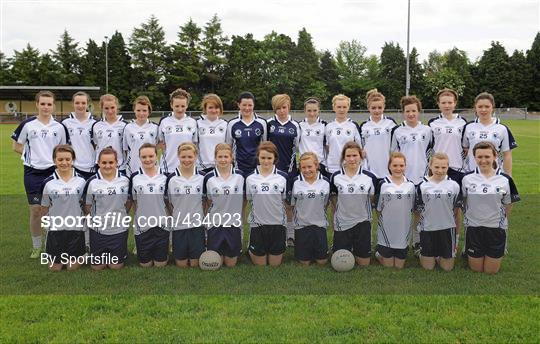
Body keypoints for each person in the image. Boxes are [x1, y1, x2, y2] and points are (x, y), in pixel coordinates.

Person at [11, 90, 67, 258]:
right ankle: (37, 246)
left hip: (53, 172)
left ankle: (53, 243)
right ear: (37, 104)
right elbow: (16, 145)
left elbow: (63, 150)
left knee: (52, 210)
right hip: (33, 173)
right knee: (36, 210)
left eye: (49, 104)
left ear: (53, 106)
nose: (45, 107)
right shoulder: (28, 125)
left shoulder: (59, 127)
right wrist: (31, 156)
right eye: (42, 103)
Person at [461, 141, 520, 274]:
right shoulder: (467, 178)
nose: (483, 160)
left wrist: (501, 220)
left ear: (495, 156)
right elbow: (464, 200)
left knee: (490, 272)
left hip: (496, 230)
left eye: (487, 156)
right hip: (474, 228)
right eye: (479, 157)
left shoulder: (505, 179)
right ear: (474, 158)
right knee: (476, 270)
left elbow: (508, 203)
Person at [330, 142, 378, 267]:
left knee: (364, 263)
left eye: (355, 155)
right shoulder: (336, 176)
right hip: (342, 222)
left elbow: (372, 198)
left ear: (361, 157)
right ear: (344, 158)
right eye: (348, 156)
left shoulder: (370, 177)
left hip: (362, 222)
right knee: (340, 260)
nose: (351, 159)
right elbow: (334, 198)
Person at [83, 148, 131, 270]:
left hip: (119, 229)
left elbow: (129, 201)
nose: (107, 166)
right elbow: (87, 205)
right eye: (104, 163)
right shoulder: (92, 182)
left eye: (111, 162)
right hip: (98, 230)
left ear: (117, 163)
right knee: (97, 267)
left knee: (116, 266)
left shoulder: (125, 180)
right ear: (98, 163)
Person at [41, 145, 86, 271]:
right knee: (55, 268)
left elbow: (86, 204)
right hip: (56, 229)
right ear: (54, 160)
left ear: (73, 160)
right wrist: (46, 224)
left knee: (71, 268)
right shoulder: (48, 182)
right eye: (60, 160)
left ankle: (84, 253)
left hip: (76, 229)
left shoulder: (82, 181)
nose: (64, 163)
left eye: (67, 159)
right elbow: (44, 207)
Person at [415, 153, 461, 271]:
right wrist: (417, 235)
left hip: (447, 229)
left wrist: (457, 235)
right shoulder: (422, 185)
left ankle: (442, 253)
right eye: (436, 167)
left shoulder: (454, 185)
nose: (440, 170)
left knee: (447, 268)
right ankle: (423, 251)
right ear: (430, 166)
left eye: (443, 167)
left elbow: (457, 213)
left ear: (448, 167)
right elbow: (418, 213)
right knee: (428, 268)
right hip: (428, 229)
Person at [246, 141, 288, 266]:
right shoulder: (250, 178)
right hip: (258, 224)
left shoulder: (283, 177)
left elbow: (284, 200)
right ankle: (252, 248)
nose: (266, 161)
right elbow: (250, 199)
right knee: (261, 264)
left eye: (269, 158)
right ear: (258, 157)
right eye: (263, 157)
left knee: (274, 264)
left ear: (275, 158)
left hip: (277, 224)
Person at [266, 94, 300, 247]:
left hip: (290, 170)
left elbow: (298, 148)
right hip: (271, 171)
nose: (281, 111)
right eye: (278, 108)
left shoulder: (295, 126)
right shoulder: (268, 124)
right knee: (273, 203)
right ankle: (274, 233)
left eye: (284, 107)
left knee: (289, 204)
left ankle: (291, 235)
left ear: (289, 107)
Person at [203, 143, 244, 267]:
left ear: (231, 158)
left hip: (233, 224)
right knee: (216, 261)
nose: (223, 160)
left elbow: (245, 199)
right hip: (215, 224)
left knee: (231, 263)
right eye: (220, 157)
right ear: (215, 158)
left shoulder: (240, 176)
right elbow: (207, 201)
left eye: (226, 156)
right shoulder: (208, 178)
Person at [166, 142, 206, 268]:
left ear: (195, 157)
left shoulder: (203, 178)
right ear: (178, 156)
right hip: (179, 226)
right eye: (183, 157)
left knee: (195, 263)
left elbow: (206, 201)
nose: (187, 160)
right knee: (181, 264)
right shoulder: (171, 179)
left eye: (190, 157)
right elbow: (168, 202)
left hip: (197, 225)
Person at [129, 143, 168, 267]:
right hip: (143, 227)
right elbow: (134, 202)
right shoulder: (134, 177)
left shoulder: (165, 176)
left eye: (151, 156)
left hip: (162, 226)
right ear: (139, 158)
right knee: (145, 264)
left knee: (159, 264)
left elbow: (168, 201)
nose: (147, 159)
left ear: (156, 156)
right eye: (144, 157)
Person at [376, 152, 416, 269]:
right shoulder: (383, 184)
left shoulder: (411, 185)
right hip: (387, 230)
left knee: (398, 267)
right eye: (395, 165)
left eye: (401, 165)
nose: (398, 168)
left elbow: (412, 208)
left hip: (403, 230)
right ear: (389, 166)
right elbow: (378, 208)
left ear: (405, 166)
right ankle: (380, 254)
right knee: (388, 266)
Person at [462, 92, 517, 175]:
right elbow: (465, 148)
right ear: (475, 108)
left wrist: (509, 177)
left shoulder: (502, 128)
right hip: (471, 174)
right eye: (480, 107)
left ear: (492, 108)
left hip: (494, 174)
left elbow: (507, 155)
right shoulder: (468, 127)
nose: (483, 110)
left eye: (487, 106)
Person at [290, 152, 330, 265]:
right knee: (304, 262)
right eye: (303, 167)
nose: (307, 170)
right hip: (302, 226)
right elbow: (293, 204)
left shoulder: (325, 182)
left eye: (310, 166)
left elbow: (326, 203)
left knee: (322, 262)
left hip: (319, 225)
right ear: (299, 168)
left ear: (317, 165)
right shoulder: (296, 182)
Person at [390, 95, 433, 185]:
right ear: (403, 113)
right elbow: (394, 153)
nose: (410, 114)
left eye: (414, 111)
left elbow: (431, 152)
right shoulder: (397, 130)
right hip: (403, 173)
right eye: (407, 111)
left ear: (419, 112)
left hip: (423, 173)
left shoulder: (427, 130)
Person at [428, 88, 467, 184]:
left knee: (457, 198)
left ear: (455, 103)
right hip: (438, 168)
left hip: (457, 167)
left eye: (450, 102)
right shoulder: (432, 123)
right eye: (443, 103)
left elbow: (466, 146)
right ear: (438, 104)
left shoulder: (462, 122)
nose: (447, 106)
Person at [226, 91, 267, 177]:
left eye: (250, 105)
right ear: (239, 105)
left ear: (253, 105)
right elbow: (228, 147)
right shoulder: (232, 123)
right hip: (238, 166)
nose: (247, 108)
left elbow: (265, 145)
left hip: (257, 165)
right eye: (244, 105)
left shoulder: (262, 123)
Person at [359, 89, 397, 179]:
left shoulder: (391, 123)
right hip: (369, 168)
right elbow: (360, 146)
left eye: (380, 108)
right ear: (368, 108)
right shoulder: (364, 125)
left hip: (388, 168)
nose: (377, 111)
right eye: (373, 108)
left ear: (384, 107)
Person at [158, 88, 198, 174]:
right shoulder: (164, 121)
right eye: (177, 106)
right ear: (171, 105)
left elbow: (195, 145)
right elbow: (159, 142)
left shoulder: (193, 122)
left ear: (187, 105)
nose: (180, 109)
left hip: (188, 168)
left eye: (183, 106)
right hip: (168, 167)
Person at [61, 91, 96, 180]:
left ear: (88, 104)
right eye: (77, 103)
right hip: (72, 167)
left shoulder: (95, 123)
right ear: (73, 104)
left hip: (90, 168)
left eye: (83, 103)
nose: (80, 106)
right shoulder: (65, 123)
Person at [91, 94, 128, 174]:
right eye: (106, 108)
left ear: (117, 107)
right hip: (101, 165)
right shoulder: (96, 125)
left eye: (112, 107)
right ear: (102, 108)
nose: (110, 111)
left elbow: (127, 148)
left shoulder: (125, 125)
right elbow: (95, 144)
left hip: (120, 165)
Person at [325, 94, 361, 174]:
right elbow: (327, 147)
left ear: (348, 107)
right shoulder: (328, 126)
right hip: (332, 167)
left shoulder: (353, 126)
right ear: (334, 108)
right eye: (339, 107)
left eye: (344, 107)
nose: (341, 110)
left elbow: (359, 147)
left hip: (349, 166)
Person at [123, 96, 159, 176]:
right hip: (133, 167)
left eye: (144, 110)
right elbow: (125, 149)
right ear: (134, 110)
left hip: (151, 167)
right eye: (138, 110)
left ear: (149, 111)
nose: (141, 113)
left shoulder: (155, 127)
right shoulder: (128, 127)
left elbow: (158, 146)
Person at [196, 94, 228, 175]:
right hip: (202, 167)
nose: (213, 110)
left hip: (221, 166)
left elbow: (228, 146)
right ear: (205, 108)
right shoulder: (197, 123)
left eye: (216, 107)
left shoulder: (225, 124)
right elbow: (194, 145)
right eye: (210, 107)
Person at [298, 97, 328, 177]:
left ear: (319, 111)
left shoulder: (325, 125)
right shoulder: (299, 126)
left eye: (315, 110)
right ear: (304, 111)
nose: (312, 114)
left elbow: (328, 146)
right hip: (304, 166)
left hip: (320, 164)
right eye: (309, 111)